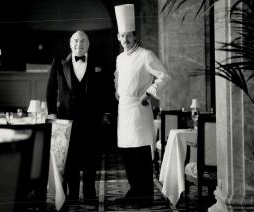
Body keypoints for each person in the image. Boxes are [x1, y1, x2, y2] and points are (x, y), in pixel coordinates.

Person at [114, 4, 171, 208]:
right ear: (118, 37)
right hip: (124, 111)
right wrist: (117, 89)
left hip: (140, 110)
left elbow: (164, 76)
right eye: (122, 36)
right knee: (129, 156)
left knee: (141, 155)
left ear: (134, 36)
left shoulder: (146, 55)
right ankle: (134, 193)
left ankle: (145, 196)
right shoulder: (120, 58)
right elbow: (120, 78)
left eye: (128, 36)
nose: (125, 40)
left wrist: (149, 93)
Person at [46, 30, 110, 205]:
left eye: (82, 41)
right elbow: (51, 89)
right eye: (75, 41)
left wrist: (106, 113)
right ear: (70, 44)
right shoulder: (59, 62)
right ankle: (72, 194)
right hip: (66, 118)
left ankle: (90, 194)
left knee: (90, 158)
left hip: (91, 118)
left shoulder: (99, 62)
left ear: (88, 45)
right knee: (70, 159)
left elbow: (106, 90)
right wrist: (52, 113)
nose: (78, 44)